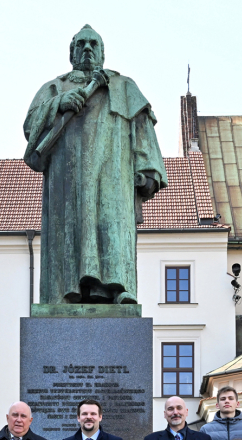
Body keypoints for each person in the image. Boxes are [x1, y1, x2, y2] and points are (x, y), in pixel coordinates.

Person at [23, 24, 166, 305]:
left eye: (93, 44)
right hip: (68, 177)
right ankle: (66, 292)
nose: (87, 49)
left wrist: (148, 168)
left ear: (102, 52)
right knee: (71, 231)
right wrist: (59, 103)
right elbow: (31, 126)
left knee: (110, 226)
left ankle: (118, 288)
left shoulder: (124, 86)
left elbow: (142, 127)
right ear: (71, 53)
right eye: (81, 45)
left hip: (114, 175)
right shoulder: (55, 87)